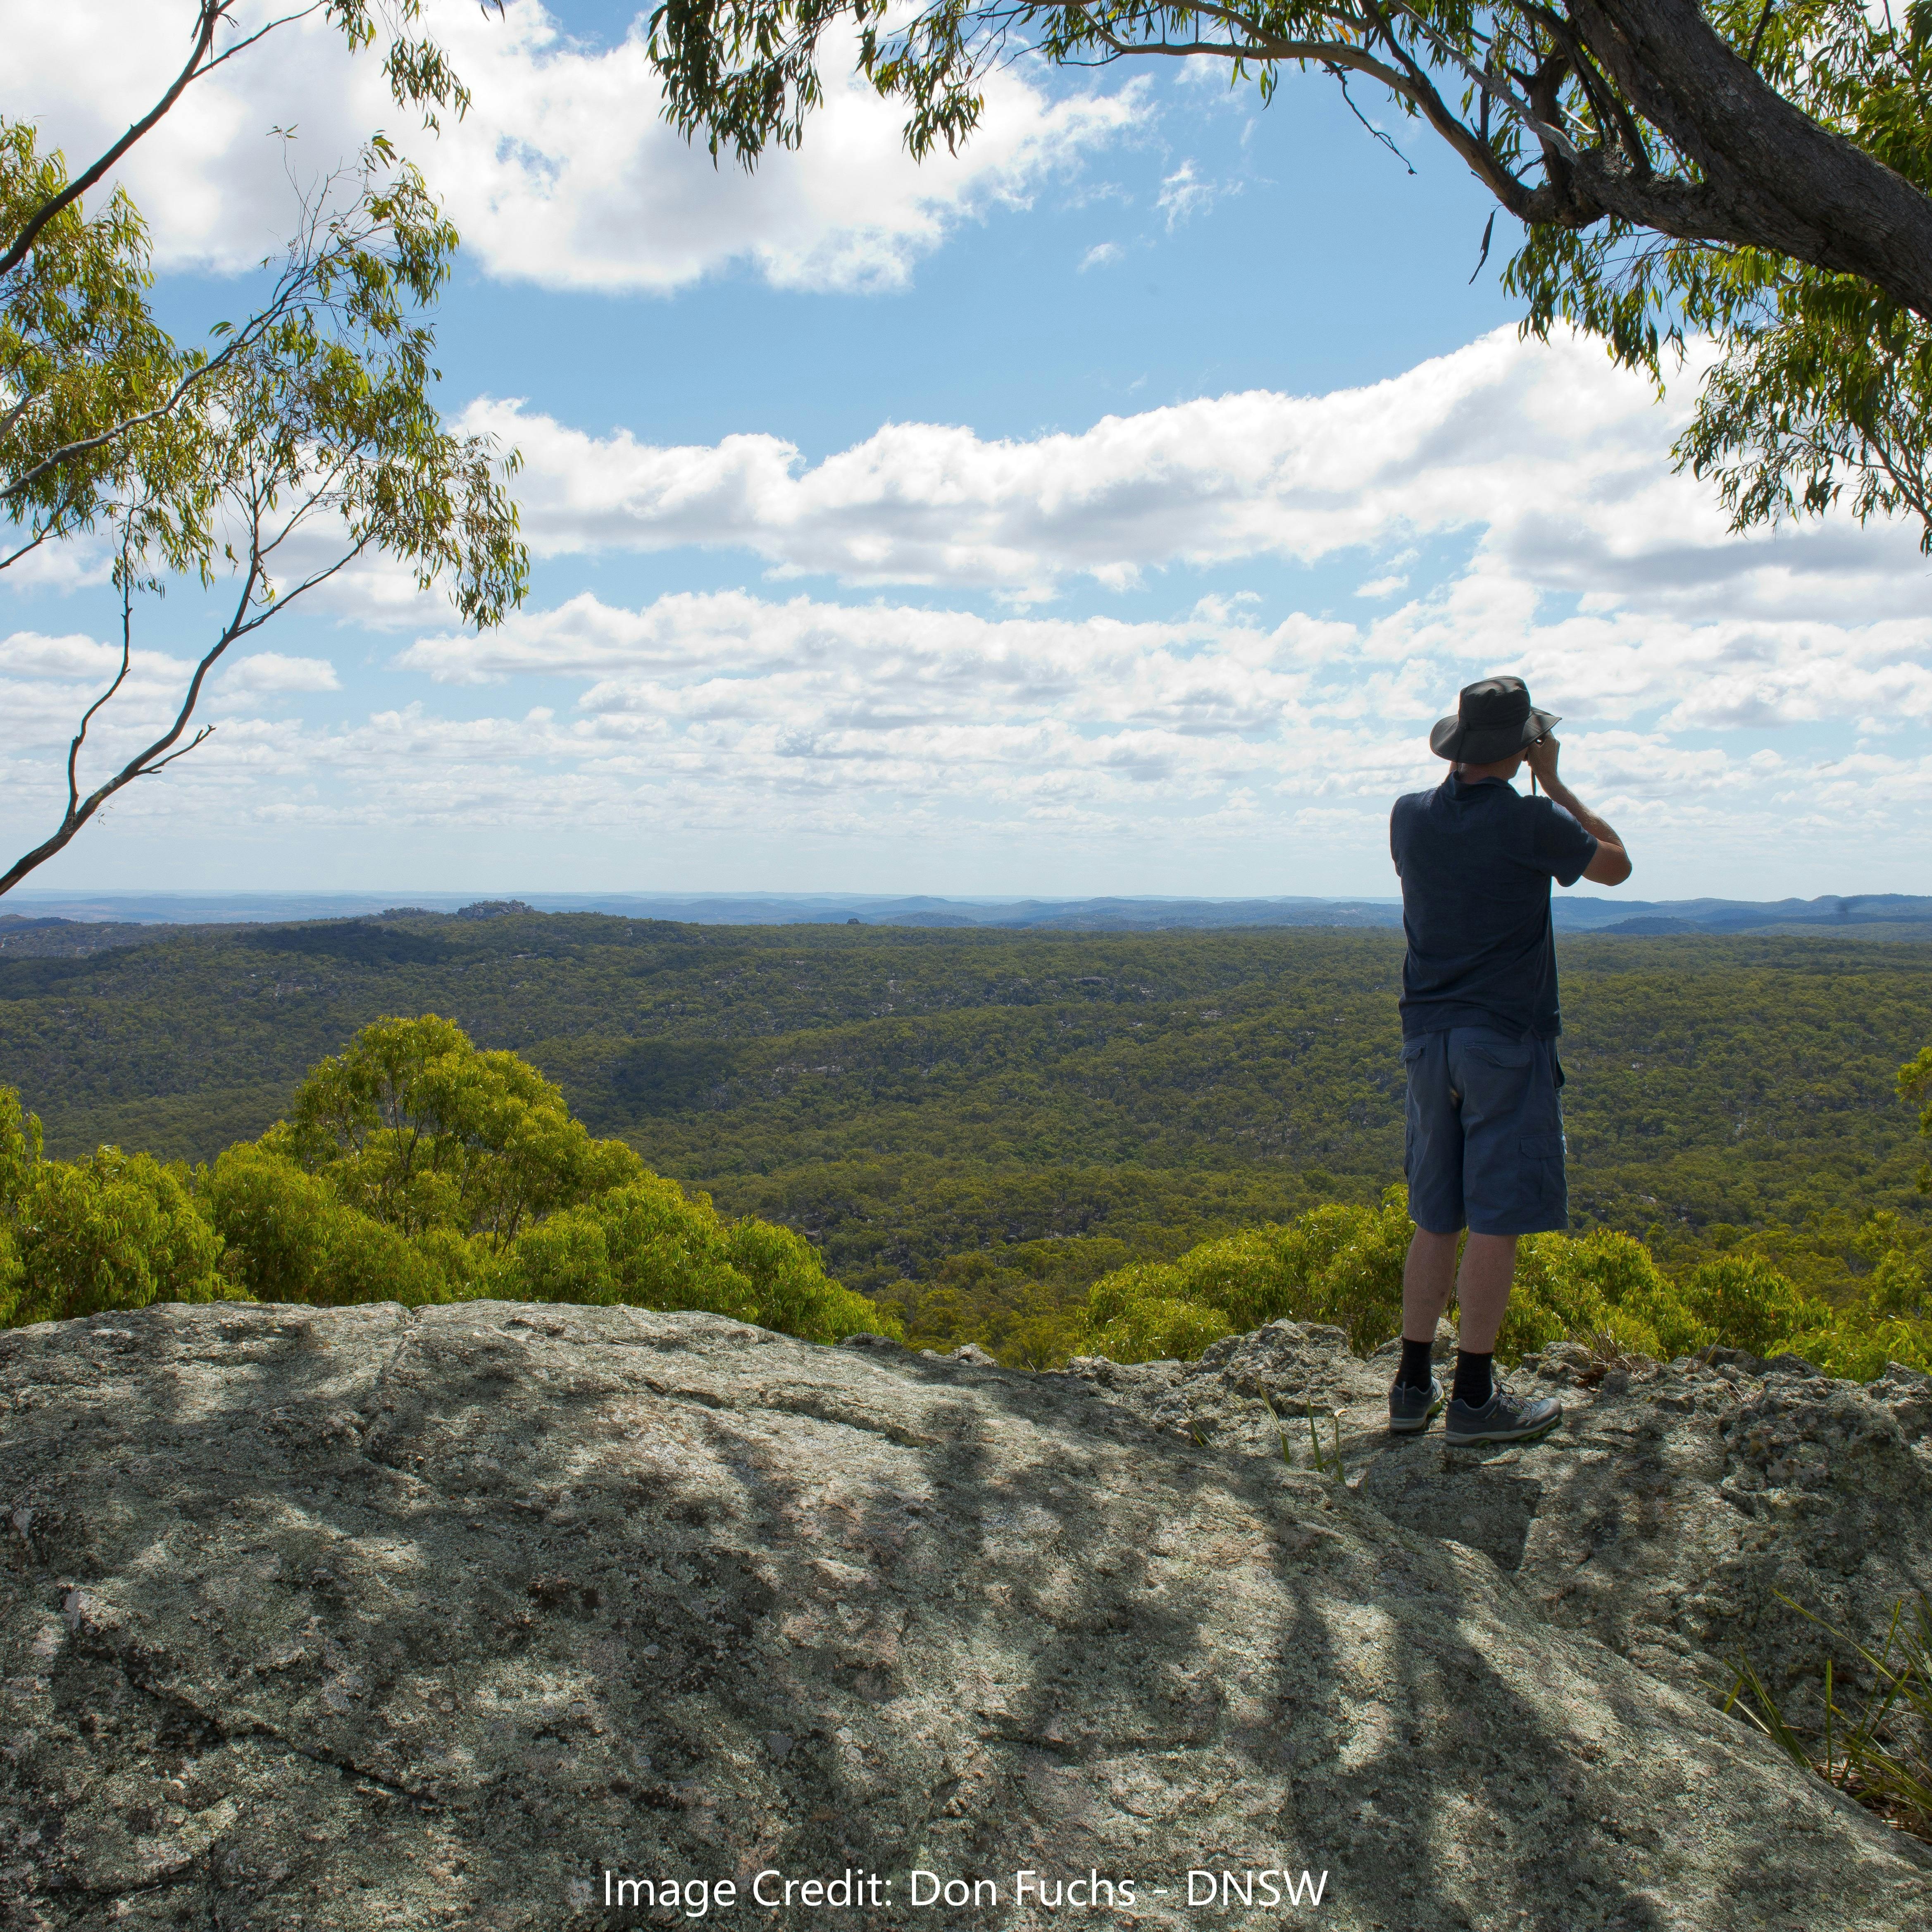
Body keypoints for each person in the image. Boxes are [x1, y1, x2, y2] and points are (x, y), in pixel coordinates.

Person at [1386, 676, 1632, 1447]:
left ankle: (1411, 1385)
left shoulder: (1408, 816)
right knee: (1495, 1218)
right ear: (1523, 746)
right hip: (1506, 1040)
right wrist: (1554, 782)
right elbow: (1617, 866)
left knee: (1436, 1215)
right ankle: (1474, 1397)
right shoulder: (1533, 820)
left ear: (1458, 743)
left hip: (1428, 1038)